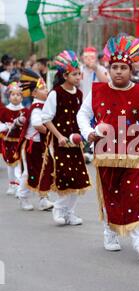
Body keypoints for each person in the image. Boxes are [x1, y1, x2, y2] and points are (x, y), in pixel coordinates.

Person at [77, 34, 139, 261]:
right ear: (108, 69)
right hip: (105, 154)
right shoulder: (97, 90)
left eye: (123, 67)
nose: (118, 71)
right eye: (114, 67)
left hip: (134, 154)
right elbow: (83, 114)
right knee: (111, 196)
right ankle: (110, 232)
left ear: (131, 70)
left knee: (133, 196)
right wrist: (89, 133)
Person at [40, 50, 91, 225]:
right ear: (65, 75)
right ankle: (59, 209)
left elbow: (81, 117)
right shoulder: (55, 93)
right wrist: (60, 136)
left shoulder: (79, 94)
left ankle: (69, 212)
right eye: (75, 74)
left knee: (78, 178)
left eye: (79, 74)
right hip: (60, 142)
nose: (78, 77)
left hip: (75, 143)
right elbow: (45, 119)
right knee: (65, 176)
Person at [17, 69, 54, 211]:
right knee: (29, 173)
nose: (46, 90)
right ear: (34, 94)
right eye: (43, 88)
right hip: (32, 147)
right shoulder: (37, 108)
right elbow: (37, 124)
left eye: (46, 87)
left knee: (44, 172)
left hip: (41, 147)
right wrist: (51, 132)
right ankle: (22, 196)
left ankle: (43, 199)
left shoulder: (44, 105)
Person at [0, 82, 28, 195]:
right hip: (8, 141)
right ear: (9, 96)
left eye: (18, 95)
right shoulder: (4, 110)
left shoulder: (25, 111)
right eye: (13, 94)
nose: (15, 97)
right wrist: (6, 126)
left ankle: (18, 184)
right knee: (10, 163)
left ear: (22, 97)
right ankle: (11, 184)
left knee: (20, 163)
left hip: (21, 142)